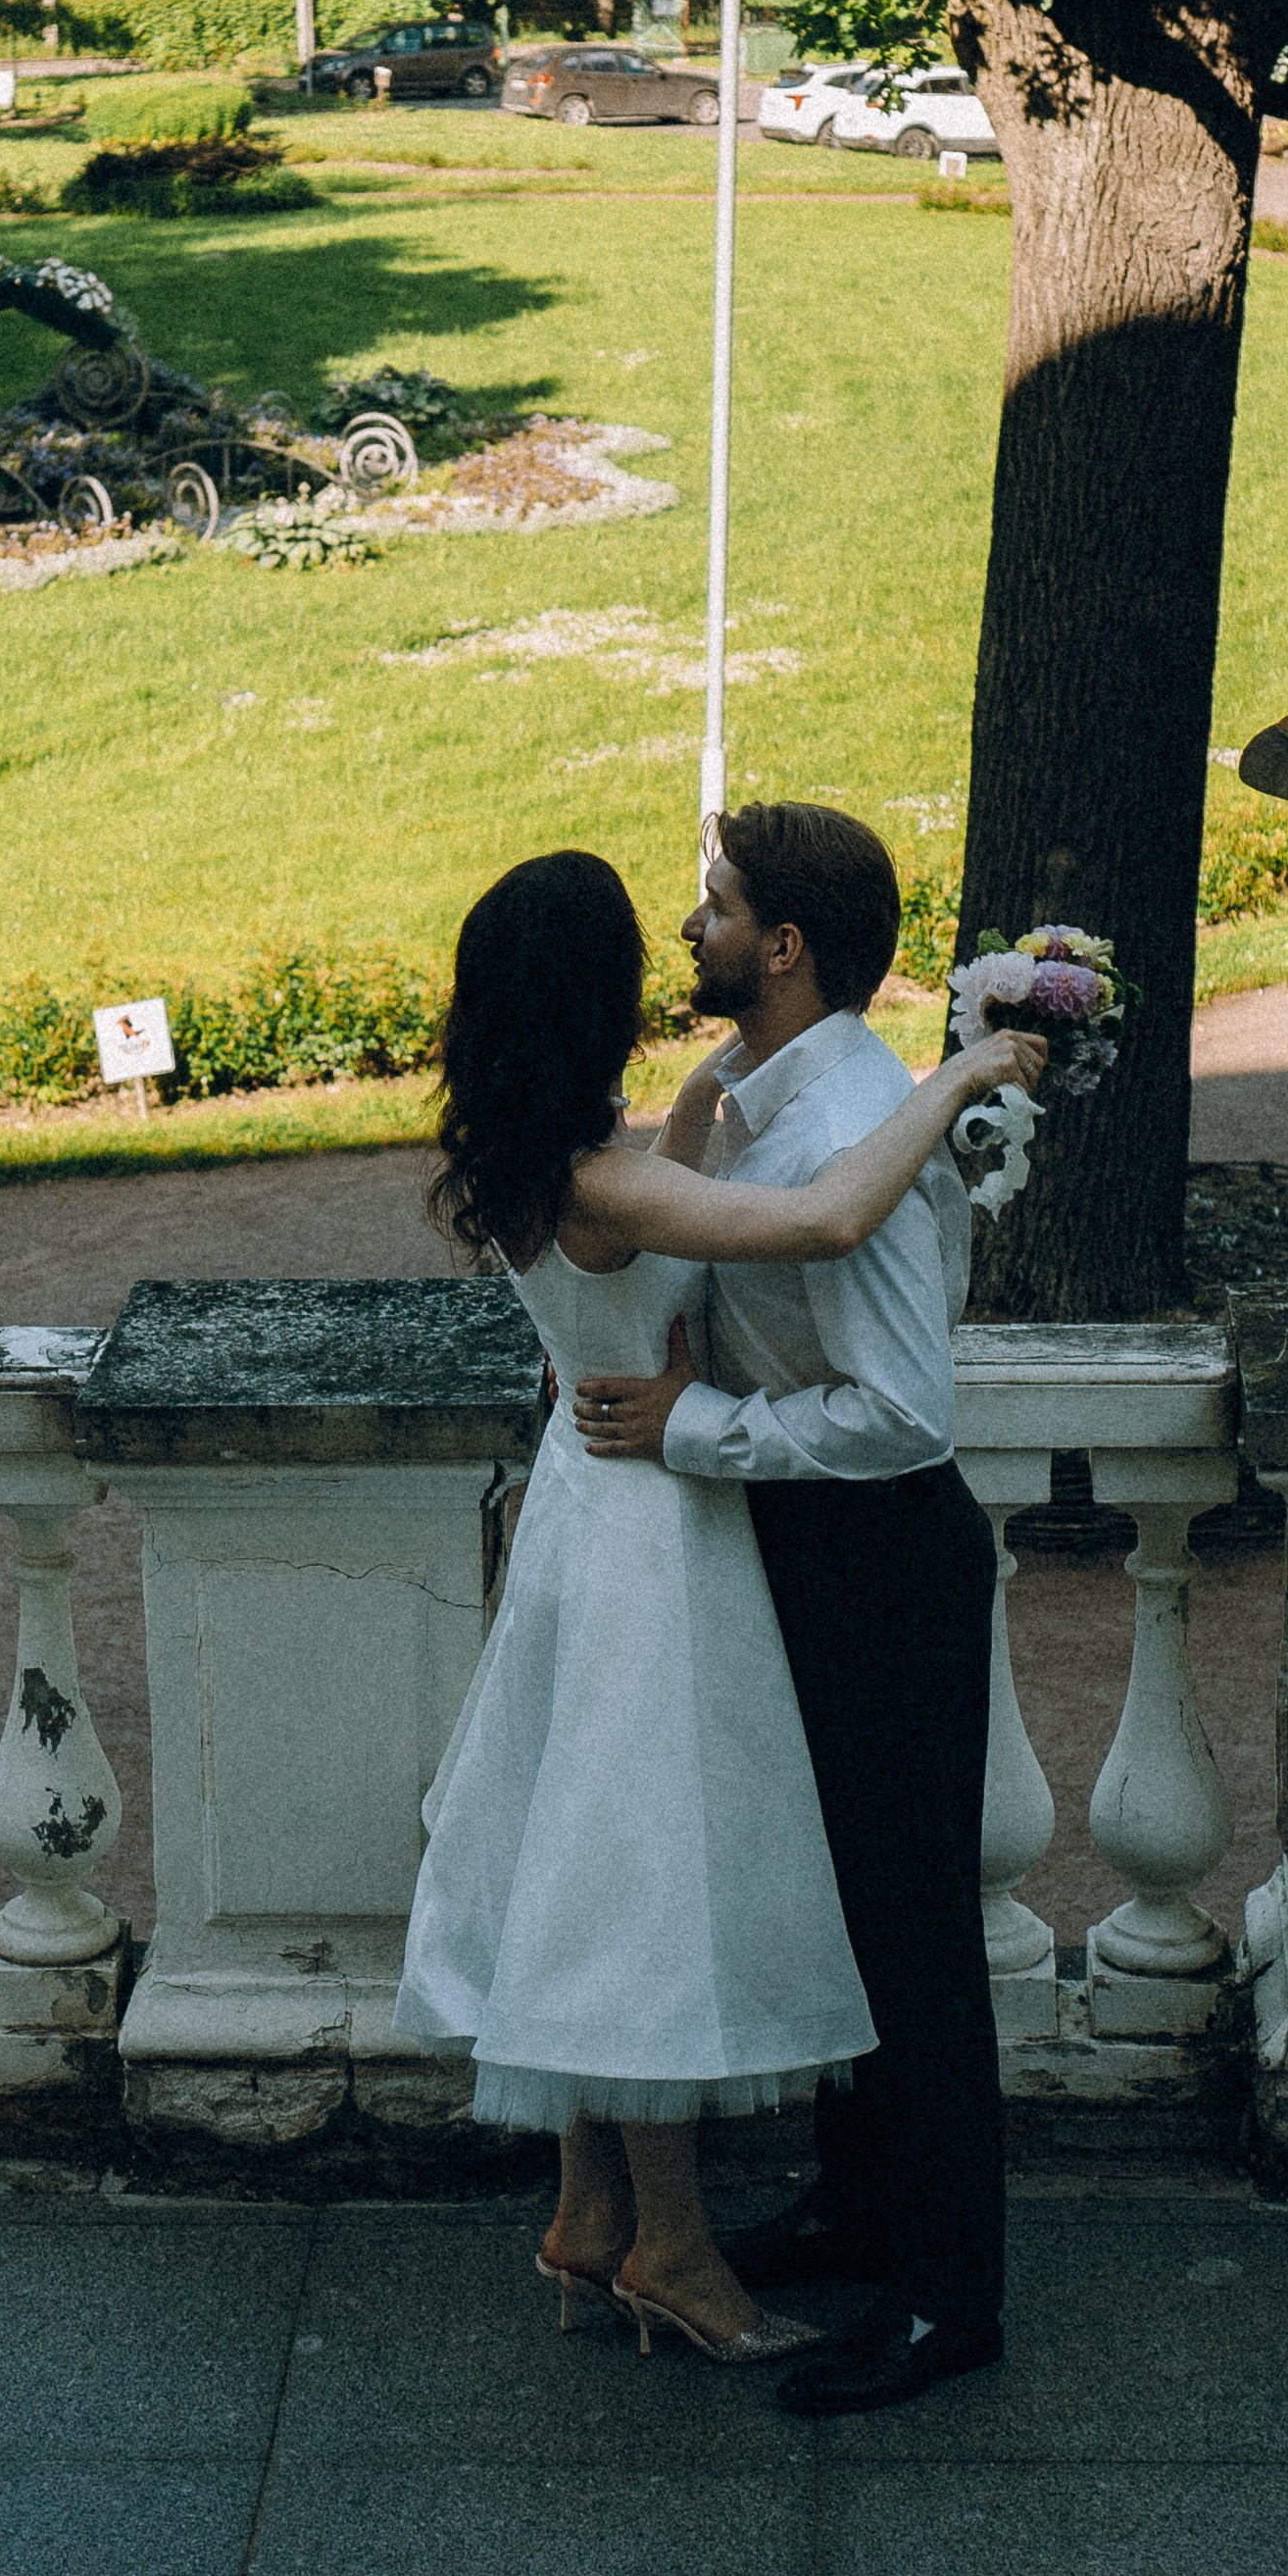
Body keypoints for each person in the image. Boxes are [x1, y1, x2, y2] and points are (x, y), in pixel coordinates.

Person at [397, 848, 1042, 2367]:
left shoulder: (539, 1148)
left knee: (600, 1860)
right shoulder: (610, 1178)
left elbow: (682, 1181)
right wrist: (949, 1085)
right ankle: (682, 2249)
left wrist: (724, 1090)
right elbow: (821, 1224)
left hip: (599, 1507)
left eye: (716, 905)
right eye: (657, 932)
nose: (688, 933)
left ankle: (620, 2223)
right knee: (649, 1877)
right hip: (659, 1530)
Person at [572, 800, 1015, 2416]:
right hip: (802, 1546)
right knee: (832, 1901)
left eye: (715, 908)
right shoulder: (765, 1092)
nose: (691, 929)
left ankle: (948, 2295)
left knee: (910, 1934)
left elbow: (907, 1409)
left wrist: (698, 1434)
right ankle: (858, 2202)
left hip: (882, 1556)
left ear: (787, 947)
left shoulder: (853, 1121)